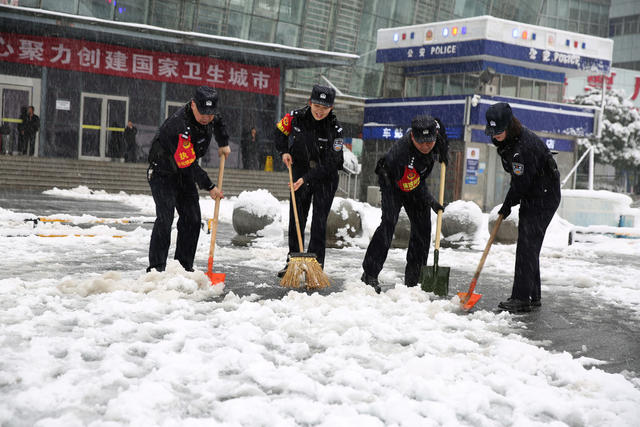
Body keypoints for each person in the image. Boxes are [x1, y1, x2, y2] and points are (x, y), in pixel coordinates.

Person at [485, 102, 561, 312]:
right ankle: (532, 295)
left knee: (527, 246)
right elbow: (520, 182)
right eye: (492, 131)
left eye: (498, 131)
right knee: (530, 245)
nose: (495, 136)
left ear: (509, 126)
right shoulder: (511, 140)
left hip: (543, 197)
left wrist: (507, 205)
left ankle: (521, 298)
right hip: (534, 193)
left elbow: (520, 183)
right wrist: (510, 202)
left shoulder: (521, 149)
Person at [146, 86, 231, 272]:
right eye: (203, 113)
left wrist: (223, 142)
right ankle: (156, 268)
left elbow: (218, 122)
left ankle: (184, 266)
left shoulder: (209, 116)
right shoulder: (179, 126)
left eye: (210, 114)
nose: (206, 118)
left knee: (192, 219)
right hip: (163, 174)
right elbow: (189, 164)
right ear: (193, 104)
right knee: (165, 218)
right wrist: (209, 186)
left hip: (184, 175)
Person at [361, 115, 448, 293]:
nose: (426, 146)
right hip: (394, 181)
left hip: (416, 181)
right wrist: (432, 202)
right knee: (388, 224)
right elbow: (413, 187)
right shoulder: (401, 155)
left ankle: (414, 279)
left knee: (423, 228)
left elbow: (439, 124)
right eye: (421, 142)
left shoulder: (435, 136)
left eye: (430, 142)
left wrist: (444, 149)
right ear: (413, 137)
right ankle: (369, 273)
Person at [275, 84, 344, 278]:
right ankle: (293, 262)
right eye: (317, 106)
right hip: (299, 170)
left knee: (319, 221)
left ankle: (315, 265)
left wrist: (306, 179)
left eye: (325, 108)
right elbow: (279, 133)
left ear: (331, 108)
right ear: (310, 102)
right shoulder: (295, 117)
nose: (320, 111)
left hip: (325, 177)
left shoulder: (335, 129)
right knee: (296, 218)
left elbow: (333, 162)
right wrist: (284, 151)